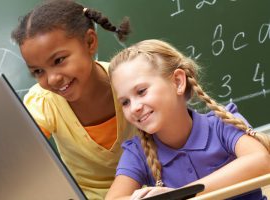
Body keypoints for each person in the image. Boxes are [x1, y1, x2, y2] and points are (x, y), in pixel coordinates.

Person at [105, 39, 270, 200]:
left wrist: (178, 195)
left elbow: (261, 161)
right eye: (125, 102)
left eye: (141, 91)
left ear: (178, 82)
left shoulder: (223, 124)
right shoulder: (138, 152)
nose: (134, 107)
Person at [11, 0, 137, 199]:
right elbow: (17, 151)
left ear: (89, 42)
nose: (52, 79)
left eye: (59, 60)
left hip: (152, 188)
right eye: (38, 71)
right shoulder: (44, 102)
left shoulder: (132, 81)